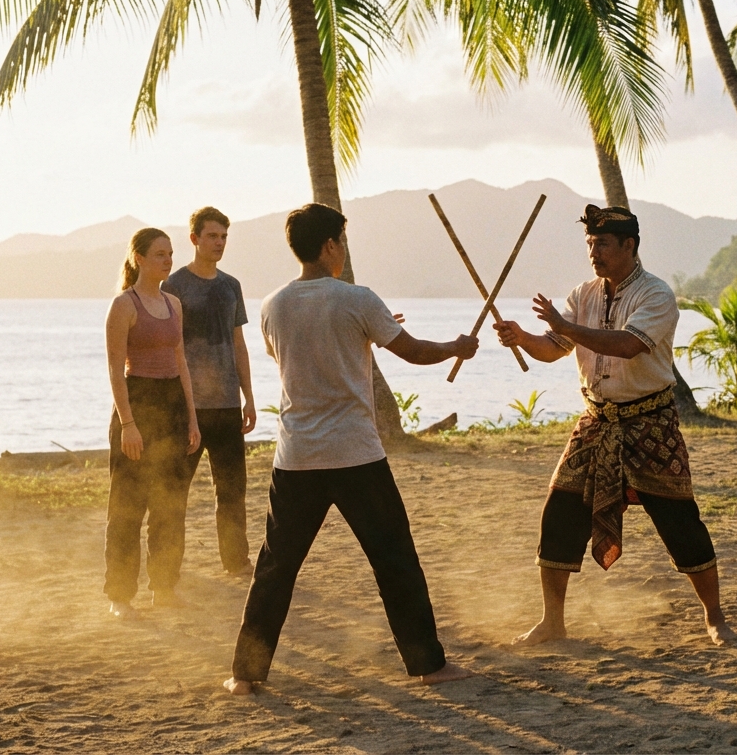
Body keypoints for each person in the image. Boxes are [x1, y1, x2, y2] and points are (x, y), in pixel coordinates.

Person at [222, 203, 476, 695]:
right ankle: (429, 665)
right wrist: (455, 347)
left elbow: (301, 352)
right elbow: (416, 351)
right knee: (395, 560)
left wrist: (370, 325)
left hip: (296, 457)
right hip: (355, 454)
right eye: (343, 241)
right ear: (330, 245)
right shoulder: (357, 299)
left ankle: (245, 674)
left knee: (276, 567)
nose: (344, 250)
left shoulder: (273, 304)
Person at [493, 204, 737, 647]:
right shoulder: (582, 294)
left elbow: (627, 346)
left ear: (629, 245)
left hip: (650, 423)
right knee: (559, 513)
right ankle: (553, 622)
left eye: (602, 243)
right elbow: (554, 347)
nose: (594, 252)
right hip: (596, 422)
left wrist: (566, 326)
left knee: (680, 522)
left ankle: (714, 616)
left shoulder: (657, 295)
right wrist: (522, 338)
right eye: (590, 244)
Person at [103, 228, 202, 619]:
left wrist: (192, 419)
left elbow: (182, 365)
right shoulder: (123, 305)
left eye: (171, 253)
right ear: (138, 258)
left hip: (173, 407)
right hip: (137, 404)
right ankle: (120, 596)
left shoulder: (174, 304)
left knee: (170, 505)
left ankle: (164, 588)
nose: (168, 260)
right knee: (127, 507)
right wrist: (128, 423)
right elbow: (114, 370)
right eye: (160, 254)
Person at [163, 207, 256, 576]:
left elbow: (239, 343)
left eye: (224, 237)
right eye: (212, 236)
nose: (219, 243)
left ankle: (237, 562)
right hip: (189, 407)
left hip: (227, 404)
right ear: (195, 239)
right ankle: (168, 570)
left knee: (232, 492)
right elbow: (170, 348)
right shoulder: (173, 286)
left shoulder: (231, 286)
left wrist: (248, 395)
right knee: (175, 493)